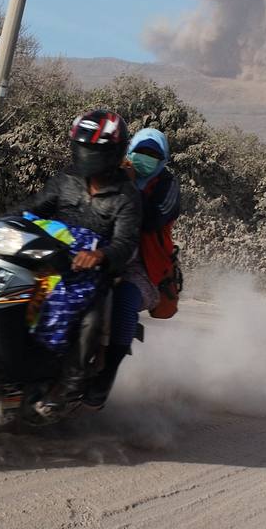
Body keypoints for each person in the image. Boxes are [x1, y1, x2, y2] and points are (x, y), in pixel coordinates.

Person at [0, 108, 142, 411]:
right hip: (51, 255)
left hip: (92, 272)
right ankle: (0, 359)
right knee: (7, 290)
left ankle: (69, 385)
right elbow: (33, 208)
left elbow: (126, 243)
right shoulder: (66, 179)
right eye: (82, 147)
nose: (87, 155)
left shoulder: (127, 196)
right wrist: (0, 221)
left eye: (94, 150)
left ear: (114, 152)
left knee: (91, 320)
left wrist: (100, 255)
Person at [82, 127, 181, 409]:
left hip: (142, 266)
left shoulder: (167, 186)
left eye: (153, 155)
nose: (145, 158)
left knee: (124, 301)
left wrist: (128, 188)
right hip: (95, 248)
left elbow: (152, 219)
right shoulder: (113, 169)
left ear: (163, 159)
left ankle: (106, 377)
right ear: (129, 149)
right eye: (141, 151)